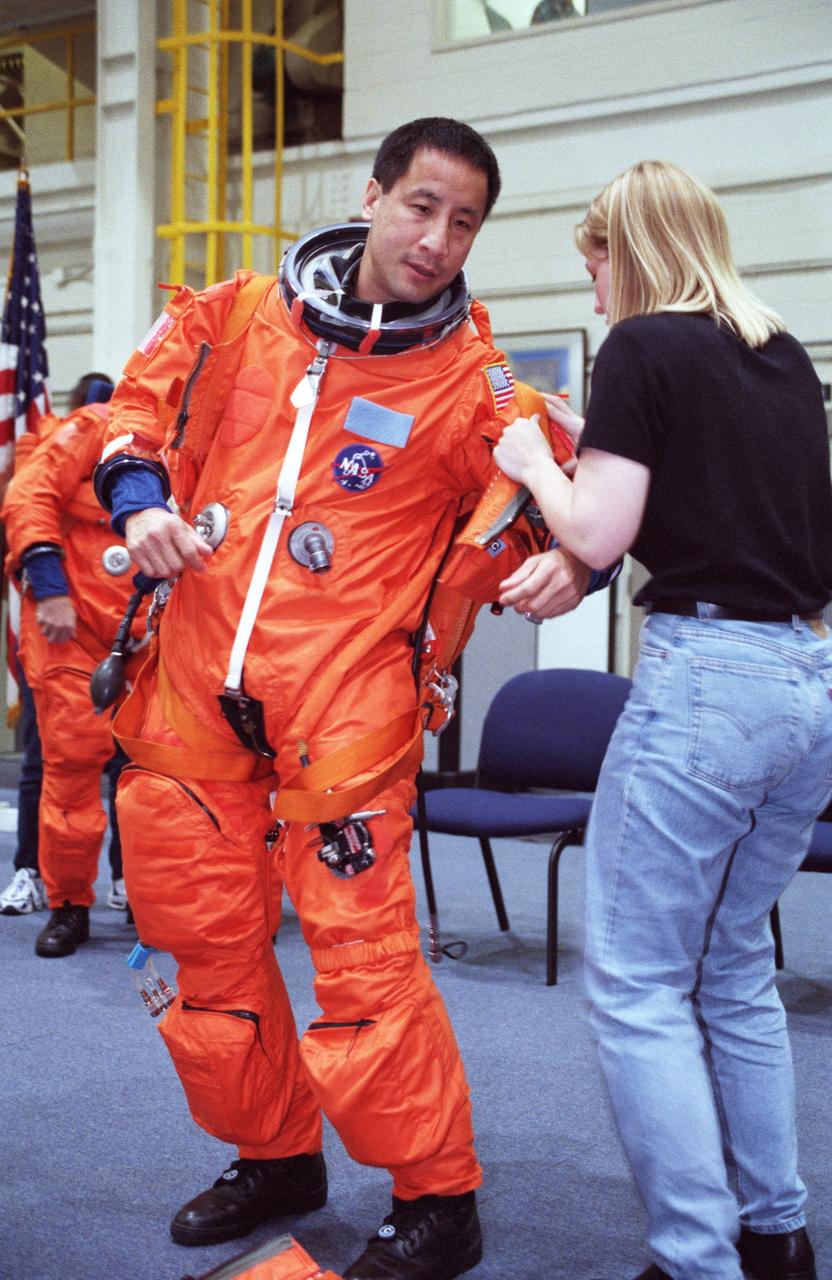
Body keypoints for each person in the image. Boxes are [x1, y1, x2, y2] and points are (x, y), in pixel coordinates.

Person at [93, 117, 606, 1280]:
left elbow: (573, 491)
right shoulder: (233, 317)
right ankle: (276, 1154)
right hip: (193, 683)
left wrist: (572, 561)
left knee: (363, 964)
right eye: (420, 206)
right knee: (202, 942)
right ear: (374, 197)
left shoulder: (473, 388)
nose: (436, 239)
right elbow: (131, 413)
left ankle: (438, 1196)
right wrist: (136, 504)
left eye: (463, 221)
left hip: (346, 708)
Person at [494, 159, 832, 1280]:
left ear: (623, 249)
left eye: (593, 262)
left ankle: (697, 1259)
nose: (592, 290)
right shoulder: (777, 355)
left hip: (703, 686)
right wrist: (594, 436)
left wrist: (538, 462)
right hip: (800, 682)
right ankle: (773, 1232)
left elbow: (593, 532)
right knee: (731, 965)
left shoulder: (642, 344)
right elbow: (727, 501)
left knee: (635, 983)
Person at [1, 372, 144, 956]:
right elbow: (28, 497)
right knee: (69, 779)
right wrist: (50, 586)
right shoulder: (94, 426)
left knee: (156, 785)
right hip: (74, 631)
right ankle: (67, 905)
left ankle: (150, 898)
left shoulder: (194, 445)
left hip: (150, 637)